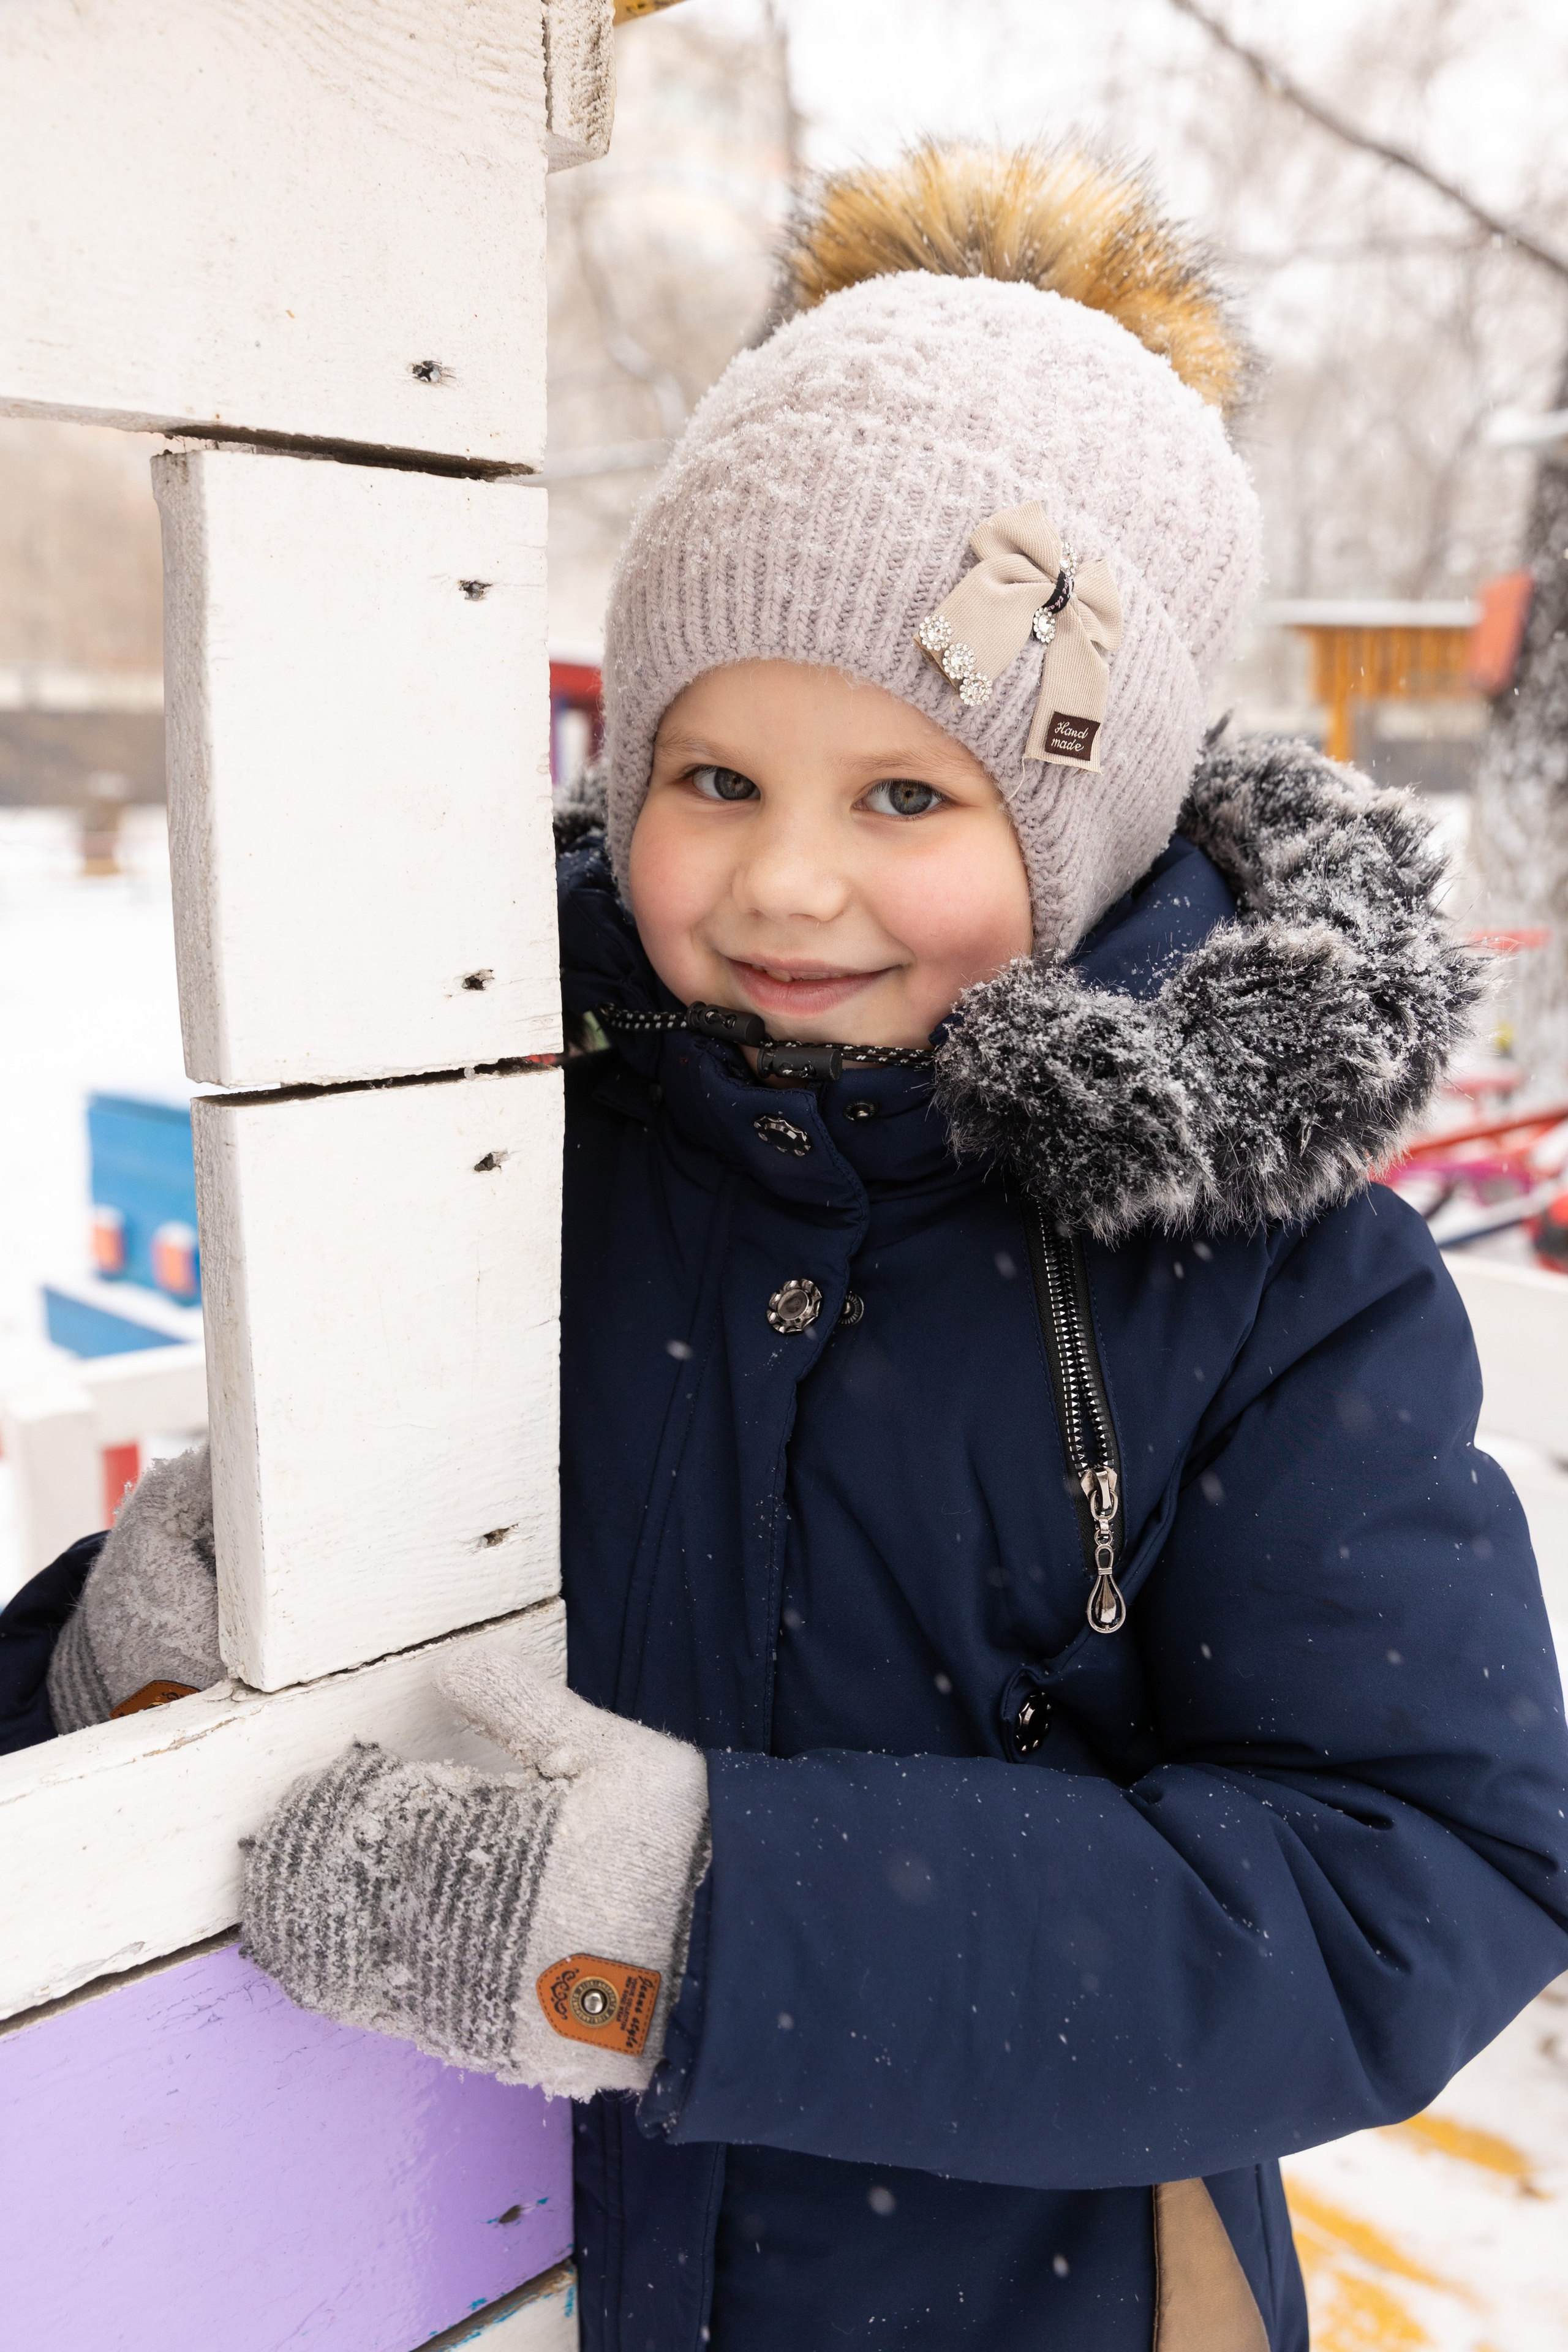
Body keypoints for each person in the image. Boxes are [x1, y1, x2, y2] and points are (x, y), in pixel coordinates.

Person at [5, 145, 1567, 2352]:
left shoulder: (1261, 1276)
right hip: (473, 2268)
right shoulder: (503, 1148)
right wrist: (113, 1679)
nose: (785, 886)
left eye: (908, 798)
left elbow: (1418, 1871)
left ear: (1092, 830)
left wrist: (697, 1925)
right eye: (714, 777)